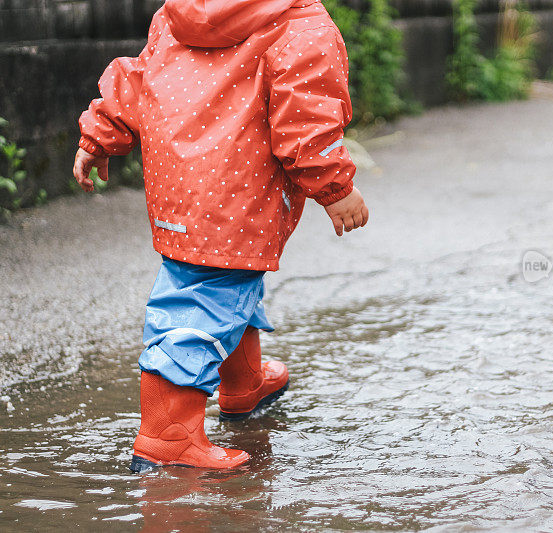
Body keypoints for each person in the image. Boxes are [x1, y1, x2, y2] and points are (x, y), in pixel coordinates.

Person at [72, 0, 369, 471]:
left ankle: (243, 382)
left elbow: (138, 79)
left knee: (229, 281)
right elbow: (306, 121)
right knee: (208, 296)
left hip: (178, 191)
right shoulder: (300, 25)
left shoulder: (180, 15)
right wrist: (335, 189)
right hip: (241, 195)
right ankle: (168, 434)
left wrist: (100, 134)